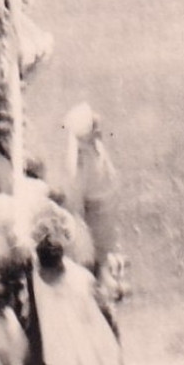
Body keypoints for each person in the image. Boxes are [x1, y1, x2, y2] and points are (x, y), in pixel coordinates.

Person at [30, 212, 123, 365]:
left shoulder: (38, 277)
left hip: (59, 327)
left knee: (72, 359)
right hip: (82, 323)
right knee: (90, 355)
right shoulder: (77, 275)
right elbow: (94, 294)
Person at [63, 102, 119, 265]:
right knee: (99, 241)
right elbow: (78, 186)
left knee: (106, 237)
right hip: (96, 204)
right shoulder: (81, 158)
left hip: (104, 198)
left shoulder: (94, 145)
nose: (98, 128)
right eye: (94, 126)